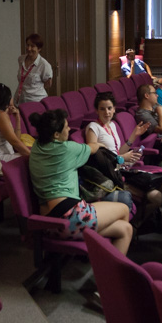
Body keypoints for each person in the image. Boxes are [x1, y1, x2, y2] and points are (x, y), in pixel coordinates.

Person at [27, 109, 132, 254]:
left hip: (47, 221)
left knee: (125, 229)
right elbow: (92, 148)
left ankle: (107, 265)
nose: (69, 129)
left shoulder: (36, 147)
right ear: (56, 135)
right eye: (66, 127)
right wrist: (99, 145)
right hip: (70, 216)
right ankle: (105, 260)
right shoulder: (67, 149)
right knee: (124, 209)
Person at [84, 92, 160, 225]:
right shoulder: (93, 127)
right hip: (111, 175)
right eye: (102, 109)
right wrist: (121, 158)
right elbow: (96, 159)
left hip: (122, 168)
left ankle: (137, 222)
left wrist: (133, 136)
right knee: (157, 197)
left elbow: (117, 152)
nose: (107, 112)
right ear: (96, 110)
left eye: (109, 108)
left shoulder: (112, 125)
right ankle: (134, 225)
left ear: (114, 109)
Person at [16, 33, 53, 103]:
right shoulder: (21, 59)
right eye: (28, 45)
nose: (29, 48)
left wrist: (35, 89)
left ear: (39, 49)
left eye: (32, 46)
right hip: (21, 98)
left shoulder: (44, 64)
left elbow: (48, 84)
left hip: (36, 101)